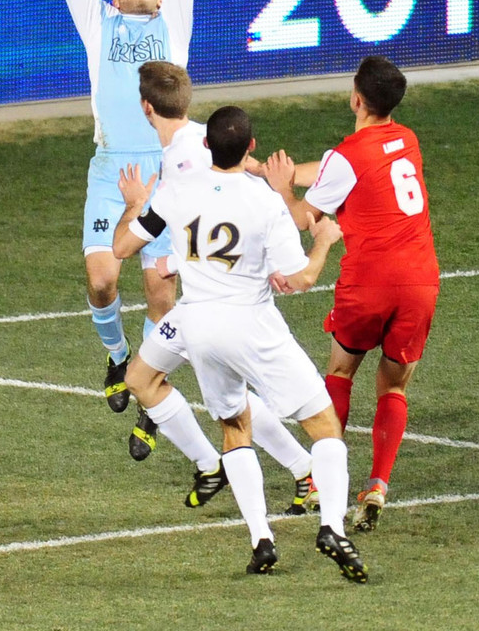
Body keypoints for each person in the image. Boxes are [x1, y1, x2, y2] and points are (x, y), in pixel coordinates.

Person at [113, 105, 369, 582]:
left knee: (234, 427)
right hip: (252, 325)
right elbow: (299, 280)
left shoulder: (175, 190)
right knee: (324, 425)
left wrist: (135, 201)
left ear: (206, 145)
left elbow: (124, 248)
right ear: (251, 148)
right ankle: (331, 526)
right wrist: (325, 241)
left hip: (199, 328)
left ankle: (262, 541)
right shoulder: (263, 201)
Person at [113, 60, 320, 516]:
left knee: (229, 401)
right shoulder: (202, 138)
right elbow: (246, 175)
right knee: (143, 380)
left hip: (218, 303)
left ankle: (300, 471)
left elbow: (126, 245)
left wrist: (136, 209)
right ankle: (217, 466)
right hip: (204, 299)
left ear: (146, 108)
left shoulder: (186, 158)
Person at [264, 55, 440, 534]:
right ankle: (378, 484)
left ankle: (325, 481)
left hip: (370, 281)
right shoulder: (406, 140)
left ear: (356, 99)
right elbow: (332, 168)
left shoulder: (348, 157)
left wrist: (280, 190)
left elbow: (303, 217)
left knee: (341, 371)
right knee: (394, 384)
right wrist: (267, 169)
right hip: (421, 281)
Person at [54, 0, 191, 449]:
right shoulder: (99, 25)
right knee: (104, 279)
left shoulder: (174, 22)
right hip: (111, 168)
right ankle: (117, 355)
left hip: (165, 172)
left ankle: (151, 394)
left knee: (162, 291)